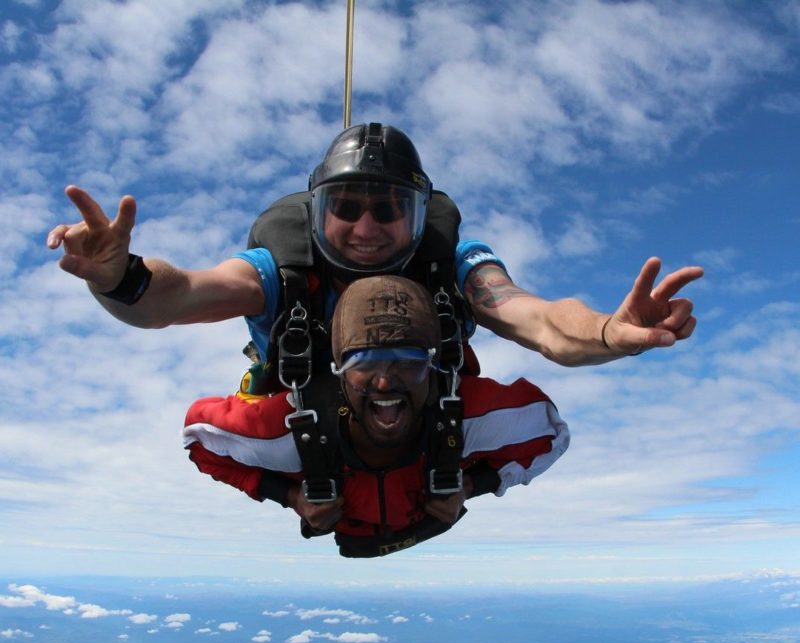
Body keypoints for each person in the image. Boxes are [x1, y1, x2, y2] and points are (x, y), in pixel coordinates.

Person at [47, 121, 701, 526]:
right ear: (317, 212)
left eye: (389, 210)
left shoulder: (453, 268)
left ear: (419, 217)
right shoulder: (280, 272)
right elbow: (182, 294)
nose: (366, 227)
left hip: (426, 425)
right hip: (309, 426)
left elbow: (536, 319)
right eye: (347, 206)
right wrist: (120, 277)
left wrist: (609, 336)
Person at [182, 275, 570, 557]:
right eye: (362, 362)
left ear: (433, 369)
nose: (385, 382)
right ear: (337, 371)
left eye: (409, 361)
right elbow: (199, 438)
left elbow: (551, 434)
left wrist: (470, 486)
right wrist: (290, 497)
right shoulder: (293, 430)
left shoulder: (463, 416)